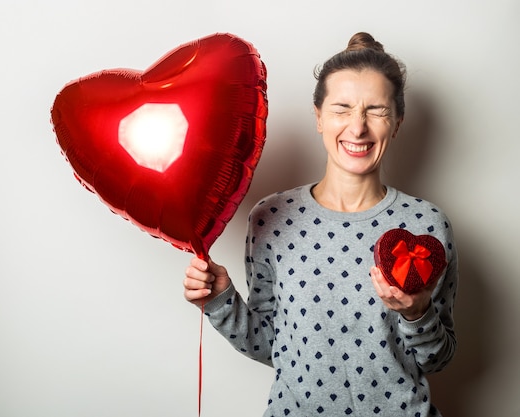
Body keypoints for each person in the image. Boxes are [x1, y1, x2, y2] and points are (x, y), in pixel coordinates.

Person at [183, 32, 458, 417]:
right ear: (318, 117)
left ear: (397, 123)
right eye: (342, 108)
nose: (358, 127)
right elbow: (271, 345)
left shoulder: (427, 225)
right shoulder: (270, 218)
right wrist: (219, 300)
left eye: (376, 110)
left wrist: (417, 313)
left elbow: (437, 359)